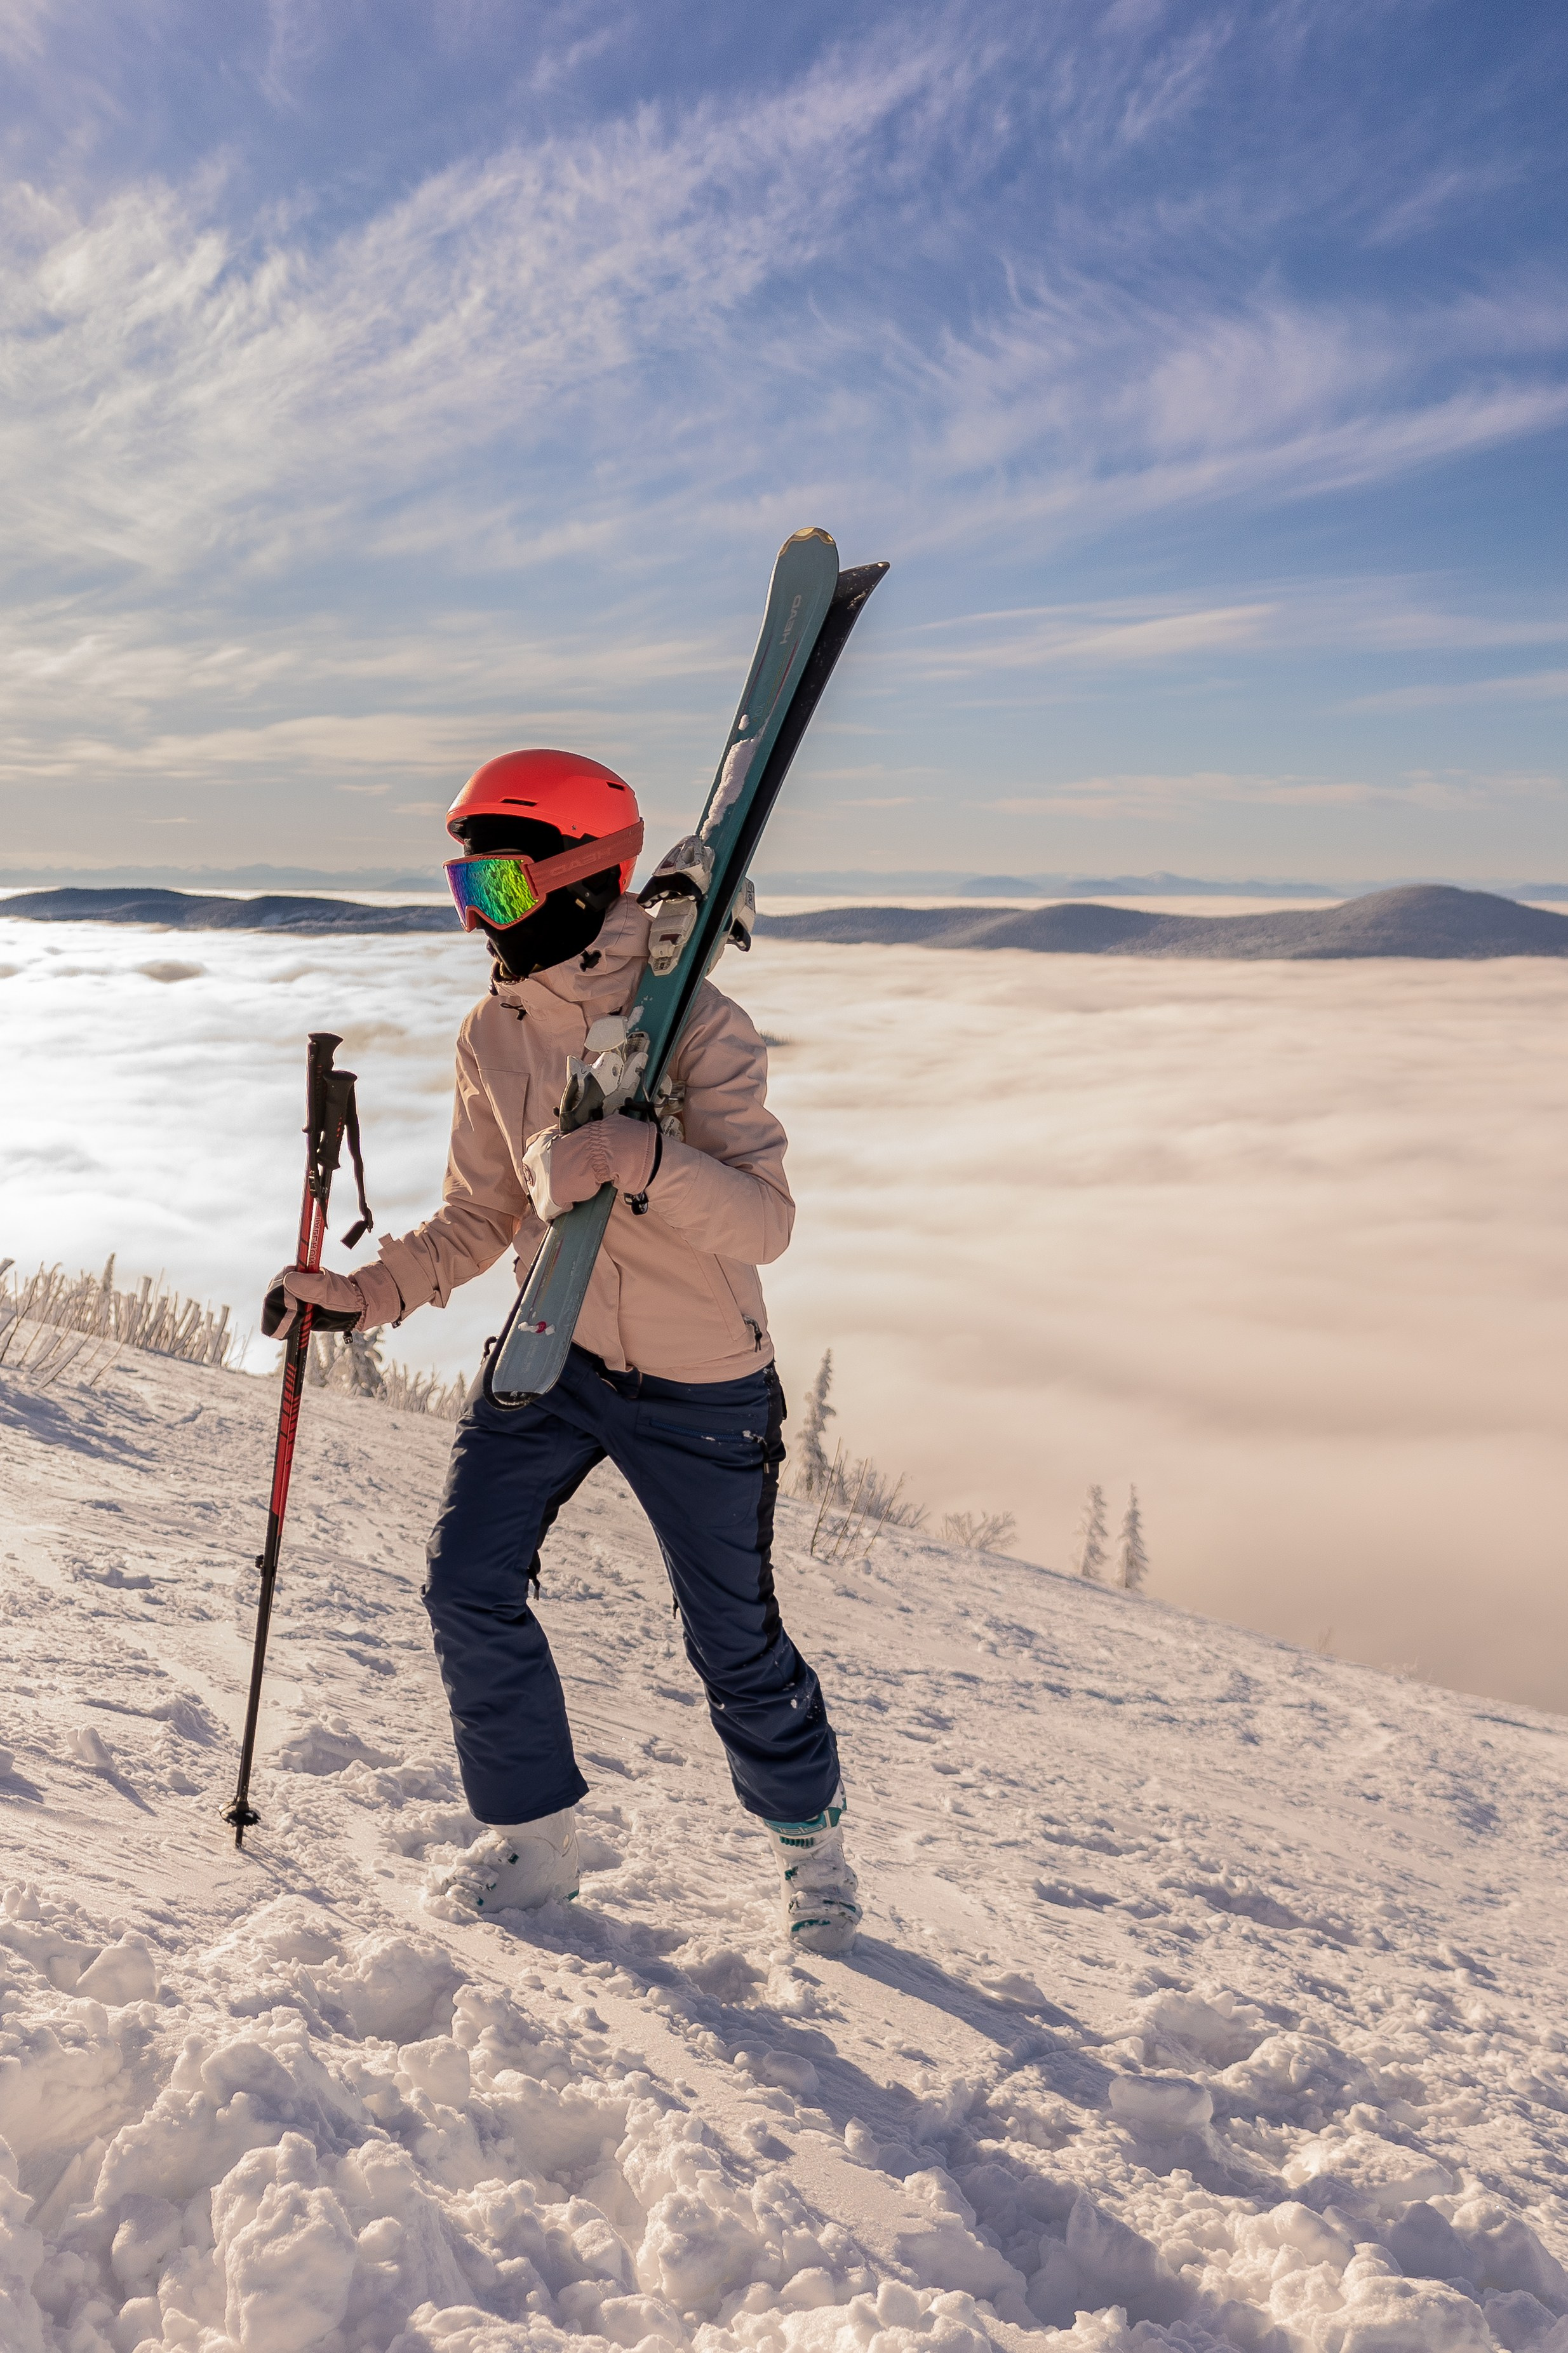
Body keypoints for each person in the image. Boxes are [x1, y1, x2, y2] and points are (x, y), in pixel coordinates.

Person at [267, 747, 860, 1955]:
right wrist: (359, 1297)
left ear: (583, 881)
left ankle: (810, 1844)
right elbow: (481, 1215)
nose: (477, 918)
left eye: (495, 886)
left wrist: (642, 1160)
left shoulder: (699, 1024)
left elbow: (765, 1223)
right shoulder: (492, 1032)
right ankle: (536, 1840)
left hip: (701, 1381)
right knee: (467, 1584)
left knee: (731, 1639)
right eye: (464, 888)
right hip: (551, 1352)